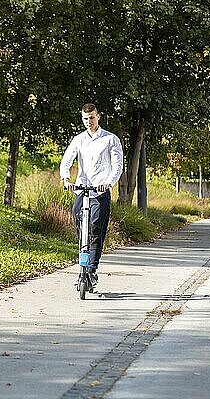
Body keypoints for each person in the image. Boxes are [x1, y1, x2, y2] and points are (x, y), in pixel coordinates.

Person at [60, 103, 124, 285]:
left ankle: (92, 270)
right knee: (80, 223)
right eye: (85, 118)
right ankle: (83, 264)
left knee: (96, 229)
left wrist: (109, 183)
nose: (89, 121)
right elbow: (66, 161)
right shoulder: (78, 140)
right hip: (82, 189)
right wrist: (66, 179)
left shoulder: (111, 139)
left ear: (98, 117)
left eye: (92, 118)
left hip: (99, 192)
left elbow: (117, 165)